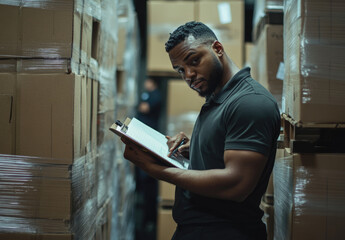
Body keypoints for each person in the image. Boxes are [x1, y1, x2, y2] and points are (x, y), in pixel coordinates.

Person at [122, 21, 281, 240]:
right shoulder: (218, 99)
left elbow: (237, 184)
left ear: (217, 49)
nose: (188, 75)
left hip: (225, 232)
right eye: (180, 70)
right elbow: (221, 156)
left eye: (194, 61)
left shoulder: (249, 102)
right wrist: (194, 148)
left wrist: (155, 170)